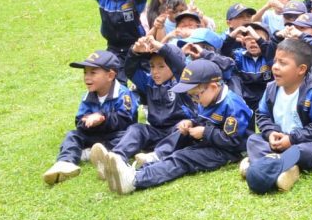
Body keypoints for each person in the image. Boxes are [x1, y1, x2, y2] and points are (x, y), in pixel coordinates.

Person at [104, 59, 253, 194]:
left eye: (195, 95)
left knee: (182, 158)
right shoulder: (207, 98)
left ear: (213, 87)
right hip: (212, 142)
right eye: (191, 96)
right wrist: (192, 123)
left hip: (229, 151)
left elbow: (232, 141)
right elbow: (204, 119)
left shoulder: (233, 105)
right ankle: (139, 170)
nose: (194, 100)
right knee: (180, 139)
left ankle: (134, 181)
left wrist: (205, 132)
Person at [241, 38, 312, 193]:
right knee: (253, 140)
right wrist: (270, 133)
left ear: (301, 69)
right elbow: (262, 115)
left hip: (302, 142)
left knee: (306, 151)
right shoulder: (271, 88)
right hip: (278, 139)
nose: (275, 67)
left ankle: (261, 166)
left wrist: (291, 139)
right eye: (275, 61)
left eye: (282, 63)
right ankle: (284, 168)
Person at [43, 50, 138, 185]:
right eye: (85, 73)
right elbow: (79, 121)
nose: (87, 77)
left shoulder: (123, 94)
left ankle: (96, 156)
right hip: (94, 135)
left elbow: (125, 120)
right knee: (73, 135)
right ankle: (65, 163)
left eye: (93, 73)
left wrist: (102, 118)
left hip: (116, 135)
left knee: (129, 136)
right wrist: (87, 123)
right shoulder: (88, 96)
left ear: (110, 75)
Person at [50, 0, 147, 80]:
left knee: (144, 79)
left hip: (136, 47)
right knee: (113, 79)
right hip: (114, 48)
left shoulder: (135, 1)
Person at [103, 37, 190, 169]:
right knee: (137, 129)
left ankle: (155, 156)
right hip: (156, 131)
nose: (155, 71)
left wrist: (161, 47)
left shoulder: (182, 83)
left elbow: (179, 65)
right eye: (152, 66)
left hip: (177, 130)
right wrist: (134, 51)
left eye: (161, 66)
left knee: (182, 131)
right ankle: (117, 157)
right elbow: (130, 71)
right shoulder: (149, 83)